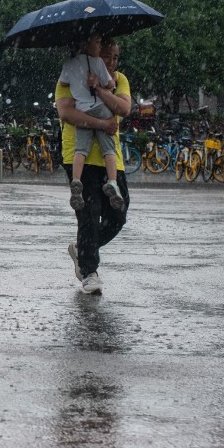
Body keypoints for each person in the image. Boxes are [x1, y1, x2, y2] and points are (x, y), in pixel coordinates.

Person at [55, 38, 132, 294]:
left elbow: (123, 108)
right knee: (88, 213)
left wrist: (100, 91)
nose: (111, 62)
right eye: (107, 55)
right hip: (80, 157)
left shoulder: (119, 80)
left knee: (117, 216)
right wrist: (102, 123)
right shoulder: (72, 76)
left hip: (112, 160)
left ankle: (82, 249)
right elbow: (67, 113)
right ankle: (89, 272)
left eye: (115, 57)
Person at [58, 33, 123, 212]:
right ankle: (113, 182)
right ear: (85, 44)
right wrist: (104, 83)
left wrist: (75, 80)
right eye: (97, 43)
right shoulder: (97, 63)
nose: (100, 46)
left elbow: (63, 82)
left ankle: (76, 180)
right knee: (109, 150)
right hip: (101, 110)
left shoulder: (68, 64)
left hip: (82, 111)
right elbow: (110, 85)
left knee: (80, 150)